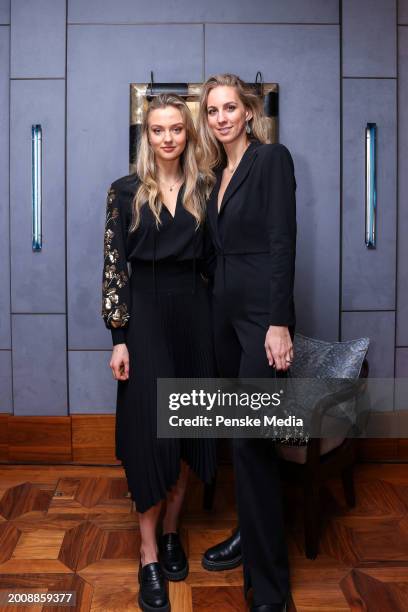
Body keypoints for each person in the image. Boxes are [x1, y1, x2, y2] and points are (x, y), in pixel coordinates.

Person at [101, 93, 217, 612]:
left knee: (189, 423)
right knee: (150, 431)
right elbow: (113, 268)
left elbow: (220, 262)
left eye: (176, 129)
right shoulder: (124, 192)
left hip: (195, 314)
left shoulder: (206, 187)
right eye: (157, 129)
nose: (167, 137)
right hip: (144, 317)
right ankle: (148, 552)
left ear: (188, 134)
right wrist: (118, 336)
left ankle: (172, 531)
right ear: (145, 135)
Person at [197, 74, 297, 612]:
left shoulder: (271, 160)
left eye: (230, 107)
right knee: (242, 442)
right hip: (224, 320)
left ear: (249, 112)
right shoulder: (218, 173)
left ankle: (272, 595)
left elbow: (283, 241)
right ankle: (249, 536)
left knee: (254, 446)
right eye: (212, 110)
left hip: (262, 321)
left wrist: (278, 322)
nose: (221, 118)